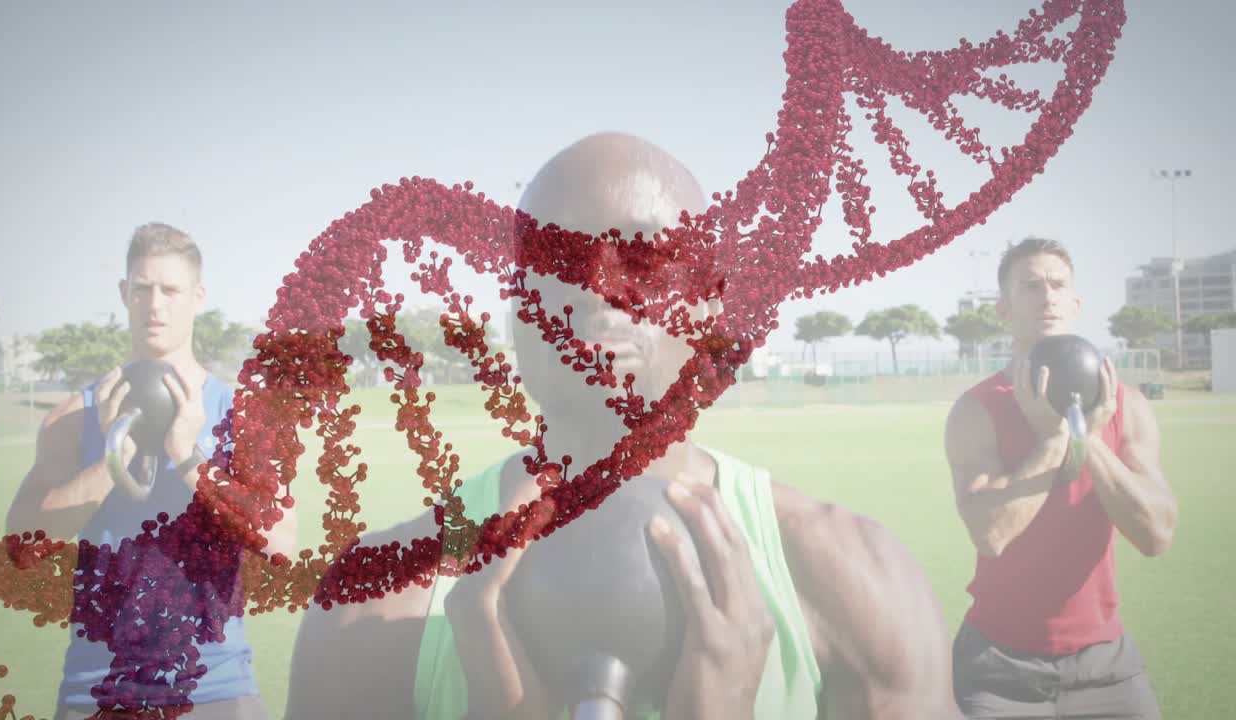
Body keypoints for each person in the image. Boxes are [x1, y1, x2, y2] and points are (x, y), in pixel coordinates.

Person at [284, 132, 962, 720]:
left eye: (643, 254)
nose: (598, 285)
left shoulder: (849, 575)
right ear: (516, 308)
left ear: (712, 309)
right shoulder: (375, 604)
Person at [6, 223, 297, 719]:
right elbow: (22, 546)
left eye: (170, 289)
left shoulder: (244, 418)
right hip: (98, 691)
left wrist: (186, 455)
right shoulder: (73, 418)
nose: (155, 304)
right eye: (142, 289)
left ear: (197, 296)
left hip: (217, 688)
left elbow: (280, 543)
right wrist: (112, 456)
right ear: (124, 293)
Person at [943, 237, 1179, 719]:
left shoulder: (1127, 405)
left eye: (1057, 284)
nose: (1047, 295)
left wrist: (1085, 437)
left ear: (1076, 303)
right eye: (1029, 286)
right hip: (999, 670)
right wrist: (1053, 441)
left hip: (1106, 665)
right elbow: (991, 534)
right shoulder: (977, 409)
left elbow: (1156, 534)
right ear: (1003, 309)